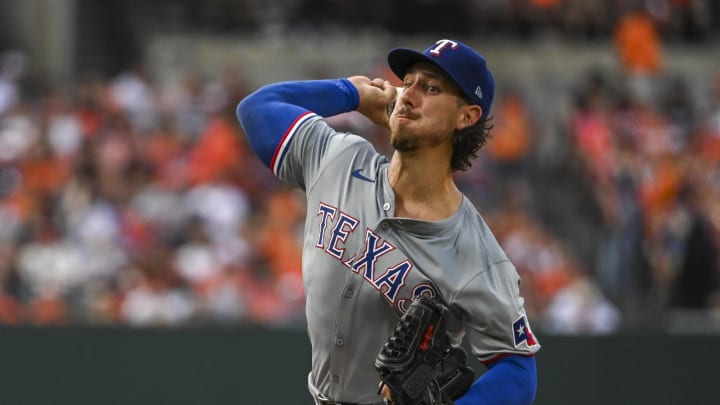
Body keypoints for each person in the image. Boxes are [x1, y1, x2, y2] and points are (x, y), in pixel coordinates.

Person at [237, 38, 540, 405]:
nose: (407, 95)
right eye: (407, 81)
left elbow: (519, 372)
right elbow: (258, 108)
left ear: (466, 115)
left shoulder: (476, 255)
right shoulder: (340, 161)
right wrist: (351, 92)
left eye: (430, 88)